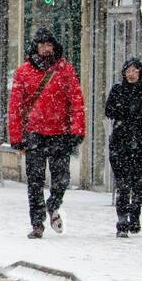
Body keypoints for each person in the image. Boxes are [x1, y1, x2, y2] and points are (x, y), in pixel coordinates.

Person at [8, 27, 86, 238]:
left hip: (59, 132)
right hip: (34, 133)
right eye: (41, 45)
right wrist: (16, 136)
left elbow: (76, 102)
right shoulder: (23, 72)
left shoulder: (65, 70)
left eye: (48, 44)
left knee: (61, 178)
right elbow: (15, 106)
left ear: (54, 46)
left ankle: (53, 204)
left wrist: (77, 130)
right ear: (35, 47)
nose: (45, 48)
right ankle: (37, 223)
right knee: (35, 181)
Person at [105, 57, 142, 237]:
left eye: (135, 71)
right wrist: (126, 112)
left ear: (141, 73)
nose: (131, 74)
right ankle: (122, 221)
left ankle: (135, 212)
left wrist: (137, 115)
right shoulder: (118, 90)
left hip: (141, 144)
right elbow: (109, 110)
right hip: (121, 144)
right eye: (128, 71)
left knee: (140, 184)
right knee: (123, 185)